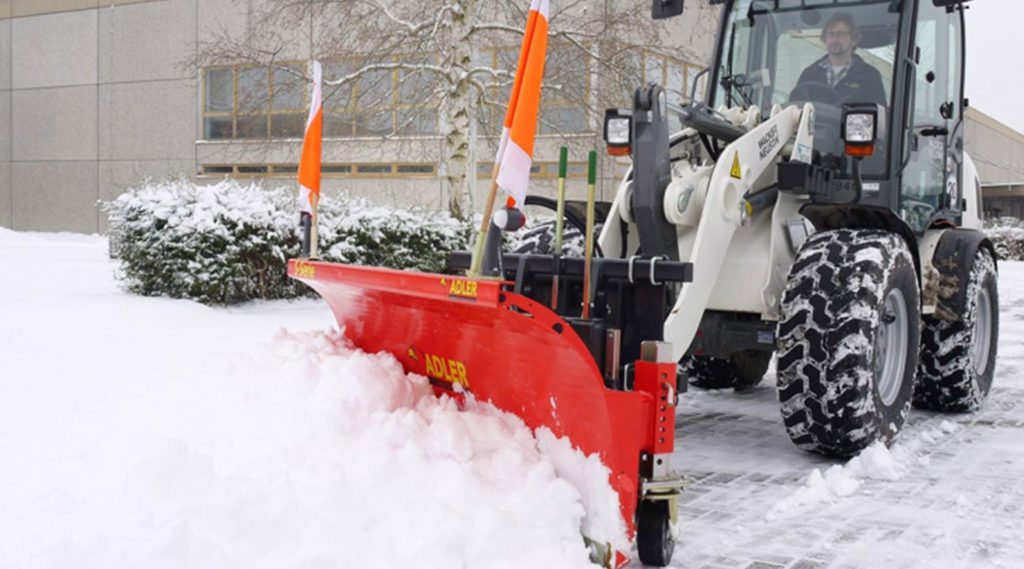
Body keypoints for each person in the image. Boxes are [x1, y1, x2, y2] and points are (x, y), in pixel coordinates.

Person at [794, 12, 888, 106]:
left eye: (841, 34)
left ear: (854, 40)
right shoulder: (809, 74)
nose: (835, 40)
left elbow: (878, 114)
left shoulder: (869, 76)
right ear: (825, 38)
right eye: (831, 34)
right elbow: (795, 108)